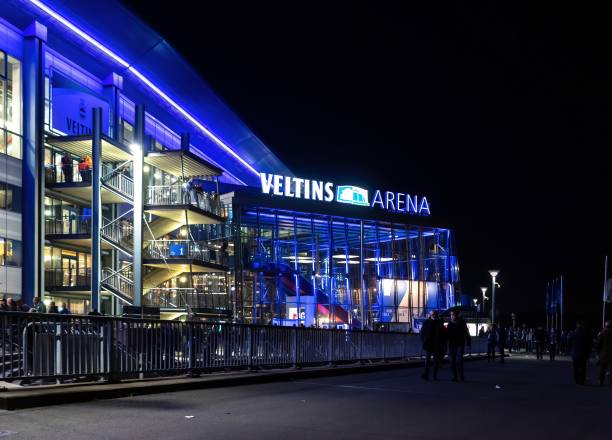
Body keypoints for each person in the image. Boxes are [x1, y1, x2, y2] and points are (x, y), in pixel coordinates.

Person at [420, 310, 447, 381]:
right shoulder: (439, 323)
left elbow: (422, 333)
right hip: (435, 344)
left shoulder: (427, 322)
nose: (433, 316)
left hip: (430, 344)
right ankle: (433, 375)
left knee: (428, 360)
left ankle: (427, 374)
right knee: (434, 361)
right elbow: (444, 334)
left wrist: (424, 341)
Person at [447, 310, 471, 382]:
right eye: (451, 315)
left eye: (453, 315)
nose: (452, 316)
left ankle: (461, 376)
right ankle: (454, 376)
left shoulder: (462, 323)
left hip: (460, 344)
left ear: (457, 315)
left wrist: (468, 343)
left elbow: (467, 333)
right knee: (452, 361)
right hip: (451, 345)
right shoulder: (450, 324)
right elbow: (447, 335)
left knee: (459, 360)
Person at [568, 321, 592, 385]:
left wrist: (570, 350)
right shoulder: (586, 334)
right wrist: (588, 353)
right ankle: (582, 381)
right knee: (583, 367)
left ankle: (577, 380)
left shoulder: (572, 333)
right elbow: (590, 344)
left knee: (575, 367)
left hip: (575, 353)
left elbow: (569, 342)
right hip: (584, 353)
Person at [596, 321, 612, 386]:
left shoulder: (603, 333)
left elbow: (599, 343)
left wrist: (597, 351)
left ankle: (600, 380)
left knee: (602, 368)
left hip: (604, 353)